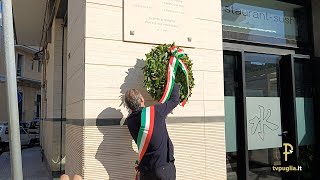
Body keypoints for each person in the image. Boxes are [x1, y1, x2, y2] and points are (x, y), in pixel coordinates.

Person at [125, 83, 180, 180]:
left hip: (145, 171)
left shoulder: (130, 121)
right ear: (142, 99)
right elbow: (174, 100)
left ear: (129, 107)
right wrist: (173, 83)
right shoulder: (155, 112)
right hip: (162, 168)